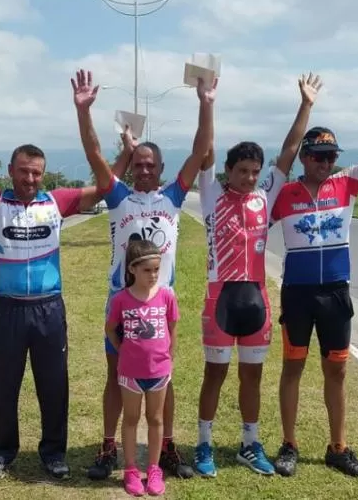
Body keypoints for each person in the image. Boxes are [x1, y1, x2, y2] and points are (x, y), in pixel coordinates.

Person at [0, 74, 111, 482]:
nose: (30, 179)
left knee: (54, 384)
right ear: (10, 170)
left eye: (36, 173)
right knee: (5, 385)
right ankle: (2, 452)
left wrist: (84, 113)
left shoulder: (57, 201)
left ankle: (54, 453)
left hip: (49, 308)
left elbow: (106, 184)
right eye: (23, 172)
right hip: (9, 310)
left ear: (44, 174)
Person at [270, 72, 358, 479]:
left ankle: (338, 447)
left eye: (331, 157)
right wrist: (305, 105)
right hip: (298, 293)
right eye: (318, 156)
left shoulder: (346, 183)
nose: (325, 163)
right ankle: (289, 444)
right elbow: (283, 155)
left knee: (336, 370)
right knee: (293, 367)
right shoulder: (283, 194)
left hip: (335, 292)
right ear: (305, 158)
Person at [76, 70, 217, 481]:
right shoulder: (117, 197)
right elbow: (93, 154)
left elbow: (200, 149)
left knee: (162, 379)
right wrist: (84, 112)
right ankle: (109, 446)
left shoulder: (173, 196)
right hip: (122, 302)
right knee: (115, 375)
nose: (143, 170)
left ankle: (166, 446)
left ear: (160, 168)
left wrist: (205, 103)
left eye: (150, 165)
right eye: (137, 164)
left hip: (159, 303)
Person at [192, 73, 324, 477]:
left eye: (255, 171)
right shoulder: (211, 194)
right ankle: (203, 443)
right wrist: (207, 103)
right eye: (243, 171)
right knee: (215, 374)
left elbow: (289, 151)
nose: (250, 178)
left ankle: (249, 443)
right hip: (220, 299)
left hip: (257, 299)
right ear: (228, 170)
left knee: (253, 375)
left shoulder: (264, 197)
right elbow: (205, 149)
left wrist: (306, 104)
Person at [105, 239, 180, 497]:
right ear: (132, 270)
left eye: (156, 269)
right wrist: (123, 349)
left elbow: (173, 328)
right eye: (147, 270)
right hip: (130, 373)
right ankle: (130, 470)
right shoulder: (121, 299)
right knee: (131, 418)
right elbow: (110, 329)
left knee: (156, 419)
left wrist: (169, 356)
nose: (153, 275)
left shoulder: (166, 296)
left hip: (159, 372)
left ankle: (154, 469)